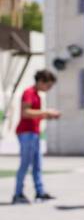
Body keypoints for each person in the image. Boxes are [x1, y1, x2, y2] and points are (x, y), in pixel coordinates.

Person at [12, 70, 61, 205]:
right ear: (41, 81)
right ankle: (17, 194)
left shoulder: (38, 96)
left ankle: (40, 192)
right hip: (26, 133)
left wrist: (48, 116)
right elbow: (25, 112)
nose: (49, 89)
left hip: (34, 132)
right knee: (25, 163)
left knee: (37, 164)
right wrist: (46, 112)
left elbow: (35, 114)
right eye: (48, 86)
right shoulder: (29, 92)